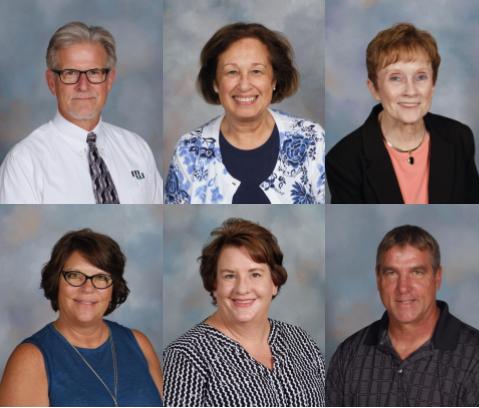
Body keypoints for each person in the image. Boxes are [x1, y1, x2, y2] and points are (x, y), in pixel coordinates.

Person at [162, 218, 326, 406]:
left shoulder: (301, 342)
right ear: (214, 285)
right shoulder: (185, 358)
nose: (242, 289)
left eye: (255, 274)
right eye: (229, 276)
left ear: (274, 282)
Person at [0, 21, 163, 204]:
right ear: (51, 82)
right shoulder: (24, 163)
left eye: (94, 72)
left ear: (109, 80)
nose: (83, 86)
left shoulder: (137, 149)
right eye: (70, 73)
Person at [326, 225, 479, 406]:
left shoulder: (478, 358)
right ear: (379, 279)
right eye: (392, 273)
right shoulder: (348, 356)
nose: (403, 287)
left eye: (417, 273)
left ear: (437, 277)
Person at [165, 23, 325, 204]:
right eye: (232, 72)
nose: (244, 85)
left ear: (274, 80)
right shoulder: (188, 151)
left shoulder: (312, 139)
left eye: (256, 71)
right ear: (216, 83)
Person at [326, 23, 479, 204]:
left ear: (433, 84)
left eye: (421, 77)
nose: (411, 91)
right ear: (375, 89)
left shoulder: (459, 138)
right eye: (396, 78)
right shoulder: (343, 161)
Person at [0, 229, 162, 406]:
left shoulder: (138, 343)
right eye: (75, 276)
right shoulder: (30, 359)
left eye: (100, 277)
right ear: (56, 281)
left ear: (113, 287)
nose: (87, 288)